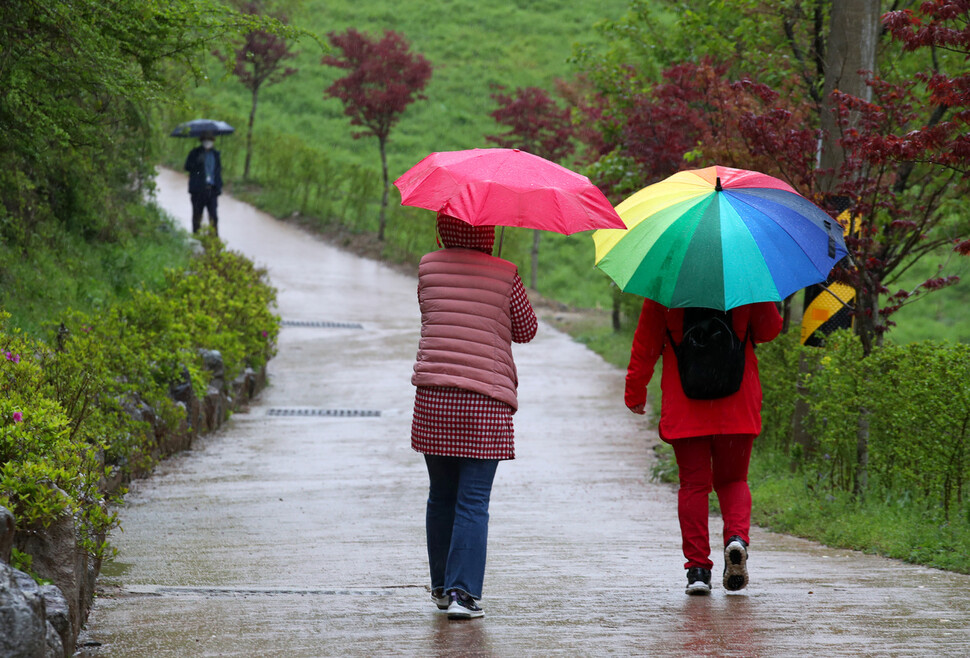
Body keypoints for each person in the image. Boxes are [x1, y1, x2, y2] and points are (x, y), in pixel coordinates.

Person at [410, 212, 537, 620]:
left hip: (434, 400)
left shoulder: (428, 267)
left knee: (441, 496)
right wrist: (501, 280)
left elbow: (433, 316)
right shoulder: (505, 274)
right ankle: (464, 595)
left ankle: (441, 587)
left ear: (445, 228)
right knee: (473, 501)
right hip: (485, 402)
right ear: (488, 231)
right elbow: (526, 329)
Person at [625, 299, 782, 595]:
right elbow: (770, 329)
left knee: (693, 485)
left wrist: (635, 390)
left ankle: (698, 570)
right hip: (737, 405)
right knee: (734, 479)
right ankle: (736, 539)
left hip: (686, 406)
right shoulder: (745, 277)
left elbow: (645, 343)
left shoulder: (664, 285)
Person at [184, 133, 223, 235]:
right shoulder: (194, 153)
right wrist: (197, 162)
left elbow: (218, 172)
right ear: (201, 140)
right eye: (205, 139)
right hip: (198, 190)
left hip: (212, 190)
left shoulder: (216, 154)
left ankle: (214, 241)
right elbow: (187, 167)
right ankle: (196, 239)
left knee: (213, 217)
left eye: (209, 139)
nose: (207, 141)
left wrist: (219, 187)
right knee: (197, 216)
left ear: (213, 140)